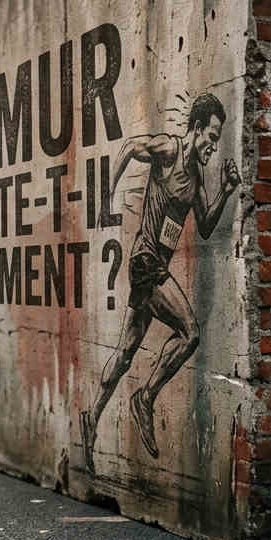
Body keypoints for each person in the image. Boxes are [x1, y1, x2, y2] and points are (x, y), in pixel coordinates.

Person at [80, 94, 239, 471]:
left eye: (217, 139)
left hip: (154, 266)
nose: (213, 145)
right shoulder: (169, 149)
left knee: (125, 351)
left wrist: (227, 191)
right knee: (190, 332)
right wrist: (106, 196)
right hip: (145, 261)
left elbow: (204, 224)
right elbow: (129, 148)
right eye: (210, 135)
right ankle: (145, 398)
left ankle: (91, 415)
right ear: (197, 128)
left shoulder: (197, 178)